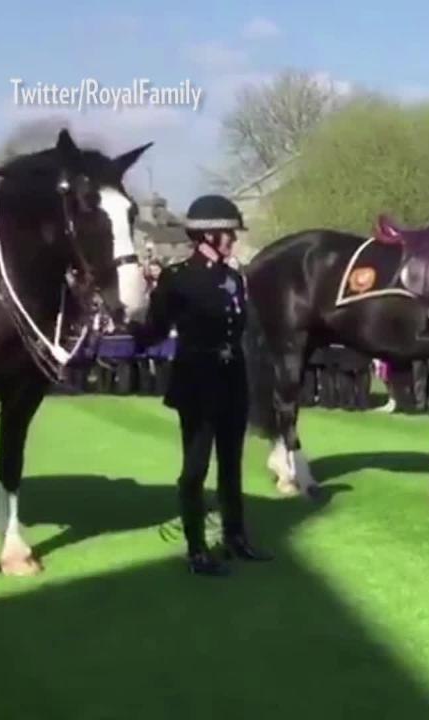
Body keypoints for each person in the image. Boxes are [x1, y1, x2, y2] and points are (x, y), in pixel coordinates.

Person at [131, 194, 272, 576]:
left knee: (232, 465)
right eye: (228, 233)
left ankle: (235, 536)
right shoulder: (178, 279)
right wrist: (130, 325)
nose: (233, 240)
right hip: (197, 379)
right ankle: (196, 548)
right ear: (207, 236)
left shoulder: (233, 277)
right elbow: (155, 328)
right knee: (195, 468)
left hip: (232, 378)